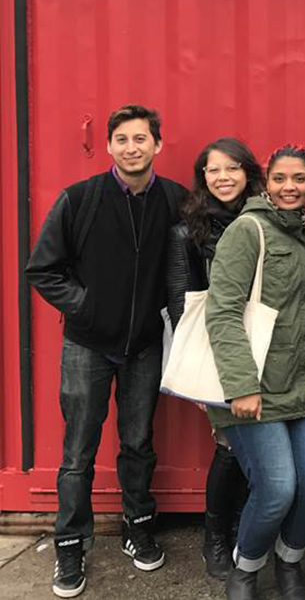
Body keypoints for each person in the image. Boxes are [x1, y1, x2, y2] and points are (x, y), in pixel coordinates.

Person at [26, 104, 188, 599]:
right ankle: (70, 543)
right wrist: (86, 307)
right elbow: (42, 269)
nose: (131, 147)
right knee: (78, 452)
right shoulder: (79, 199)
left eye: (140, 138)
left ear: (157, 144)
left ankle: (138, 527)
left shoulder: (176, 200)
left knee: (138, 443)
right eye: (122, 139)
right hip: (88, 345)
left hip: (144, 346)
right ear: (109, 145)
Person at [207, 145, 305, 600]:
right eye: (280, 178)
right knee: (277, 489)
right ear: (266, 183)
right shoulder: (247, 229)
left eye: (299, 179)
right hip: (254, 387)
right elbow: (222, 312)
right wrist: (240, 385)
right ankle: (246, 569)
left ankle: (289, 561)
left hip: (303, 383)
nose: (289, 187)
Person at [165, 138, 264, 579]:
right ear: (202, 177)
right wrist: (199, 372)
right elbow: (180, 305)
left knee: (256, 447)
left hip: (264, 345)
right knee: (228, 445)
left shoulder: (264, 221)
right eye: (213, 170)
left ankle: (246, 527)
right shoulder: (187, 232)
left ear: (248, 173)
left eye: (232, 168)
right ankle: (216, 536)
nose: (223, 177)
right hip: (215, 349)